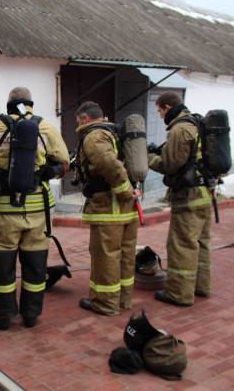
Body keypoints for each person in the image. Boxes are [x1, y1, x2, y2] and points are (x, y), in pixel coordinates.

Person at [0, 87, 69, 330]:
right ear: (30, 102)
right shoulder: (46, 127)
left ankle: (2, 317)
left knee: (3, 266)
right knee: (35, 265)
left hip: (5, 211)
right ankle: (30, 316)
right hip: (39, 211)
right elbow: (64, 160)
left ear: (9, 103)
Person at [74, 102, 141, 316]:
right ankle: (123, 300)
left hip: (109, 208)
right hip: (128, 208)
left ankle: (105, 303)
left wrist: (124, 191)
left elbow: (110, 165)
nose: (78, 125)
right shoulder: (115, 132)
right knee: (126, 255)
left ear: (85, 118)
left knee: (106, 256)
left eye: (78, 121)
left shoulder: (94, 136)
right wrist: (130, 192)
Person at [148, 91, 213, 306]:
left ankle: (179, 294)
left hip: (188, 197)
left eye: (159, 110)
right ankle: (201, 287)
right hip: (205, 194)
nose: (159, 115)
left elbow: (170, 164)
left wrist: (149, 158)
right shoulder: (196, 123)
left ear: (167, 107)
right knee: (200, 243)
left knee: (181, 245)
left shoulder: (180, 128)